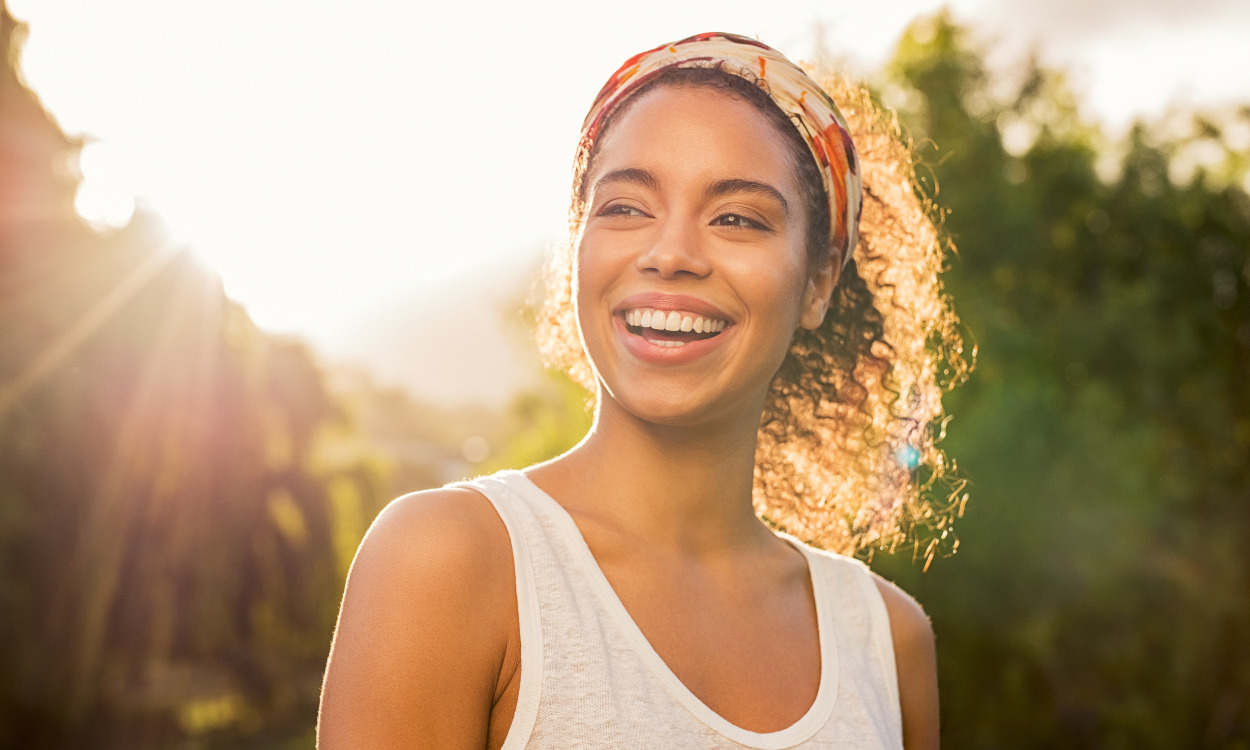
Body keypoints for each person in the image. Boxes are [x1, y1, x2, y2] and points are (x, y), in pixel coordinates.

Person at [318, 31, 967, 750]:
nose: (670, 254)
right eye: (626, 207)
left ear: (817, 282)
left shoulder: (886, 640)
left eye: (737, 218)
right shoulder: (448, 562)